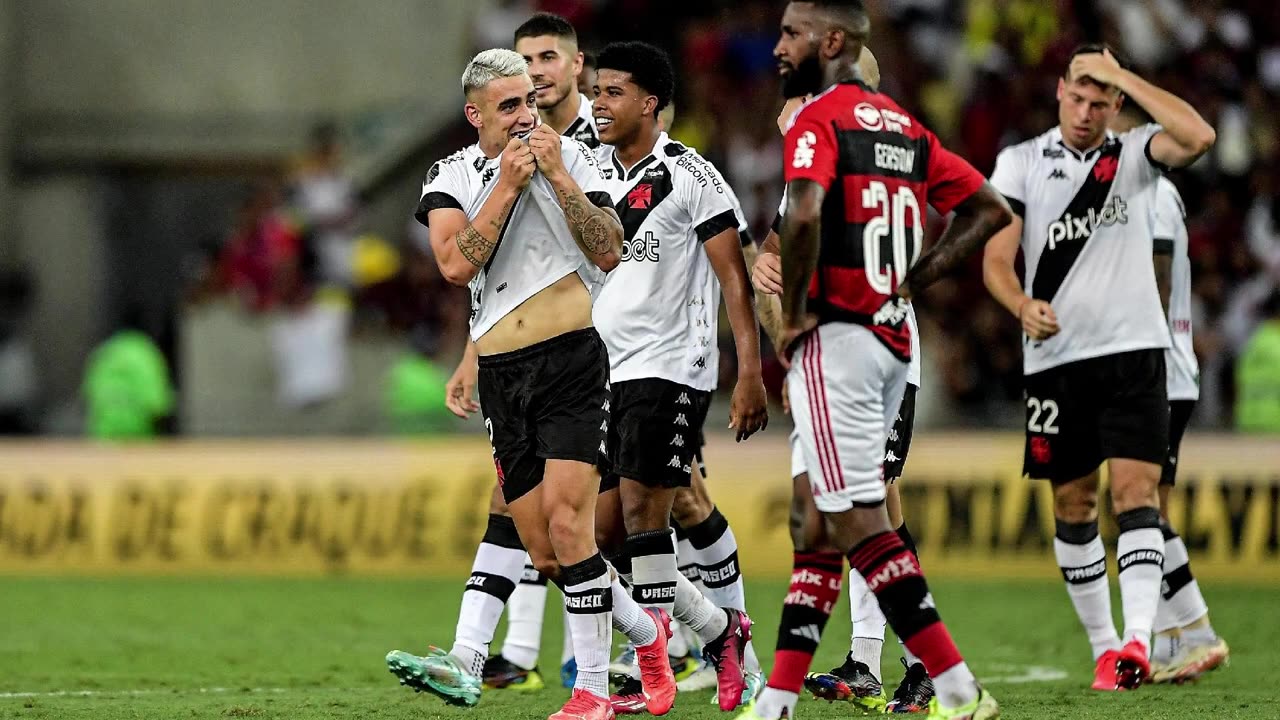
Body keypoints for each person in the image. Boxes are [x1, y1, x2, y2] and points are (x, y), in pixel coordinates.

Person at [384, 49, 674, 720]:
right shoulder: (452, 174)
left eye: (531, 103)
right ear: (475, 112)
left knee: (572, 527)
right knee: (543, 552)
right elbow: (455, 266)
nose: (524, 117)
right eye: (509, 105)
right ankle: (648, 630)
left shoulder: (580, 157)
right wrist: (511, 186)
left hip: (574, 360)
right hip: (503, 375)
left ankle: (593, 693)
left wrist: (559, 178)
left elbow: (609, 248)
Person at [742, 3, 1013, 720]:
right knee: (820, 519)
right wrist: (914, 280)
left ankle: (954, 687)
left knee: (859, 521)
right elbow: (989, 208)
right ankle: (779, 701)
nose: (778, 46)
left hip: (840, 338)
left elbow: (802, 214)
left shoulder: (819, 121)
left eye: (792, 33)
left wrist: (797, 315)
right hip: (890, 336)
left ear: (831, 42)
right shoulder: (902, 126)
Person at [982, 43, 1215, 691]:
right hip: (1057, 361)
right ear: (1059, 91)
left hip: (1136, 354)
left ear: (1116, 104)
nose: (1086, 111)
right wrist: (1021, 302)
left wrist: (1124, 77)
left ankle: (1139, 643)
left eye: (1100, 100)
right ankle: (1106, 646)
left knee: (1136, 495)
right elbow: (996, 259)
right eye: (1078, 96)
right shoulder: (1021, 162)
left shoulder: (1137, 154)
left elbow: (1199, 135)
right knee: (1075, 503)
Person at [585, 41, 768, 713]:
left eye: (612, 92)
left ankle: (654, 659)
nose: (598, 104)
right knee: (601, 535)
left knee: (643, 511)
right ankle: (721, 632)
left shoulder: (694, 175)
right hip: (605, 367)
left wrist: (748, 373)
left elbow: (734, 279)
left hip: (672, 362)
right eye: (597, 91)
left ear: (650, 103)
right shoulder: (591, 171)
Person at [753, 49, 936, 714]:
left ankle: (921, 666)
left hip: (875, 351)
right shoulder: (814, 160)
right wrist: (787, 339)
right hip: (830, 356)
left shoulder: (876, 159)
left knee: (872, 503)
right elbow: (771, 262)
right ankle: (866, 661)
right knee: (849, 508)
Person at [1108, 104, 1229, 684]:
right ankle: (1169, 638)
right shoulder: (1157, 190)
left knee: (1138, 506)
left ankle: (1192, 630)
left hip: (1153, 367)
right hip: (1163, 366)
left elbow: (1154, 280)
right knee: (1150, 505)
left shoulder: (1149, 191)